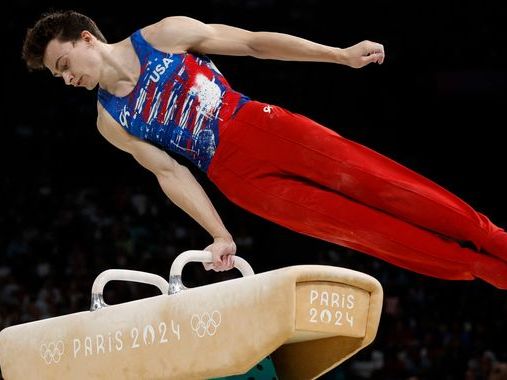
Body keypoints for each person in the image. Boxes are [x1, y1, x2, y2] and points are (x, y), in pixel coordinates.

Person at [22, 10, 507, 289]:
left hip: (257, 126)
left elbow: (253, 44)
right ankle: (485, 269)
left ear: (87, 38)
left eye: (64, 62)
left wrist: (337, 55)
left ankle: (494, 241)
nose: (67, 78)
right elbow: (169, 173)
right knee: (369, 234)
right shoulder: (110, 120)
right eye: (58, 76)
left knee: (385, 186)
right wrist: (220, 235)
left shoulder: (162, 36)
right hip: (237, 181)